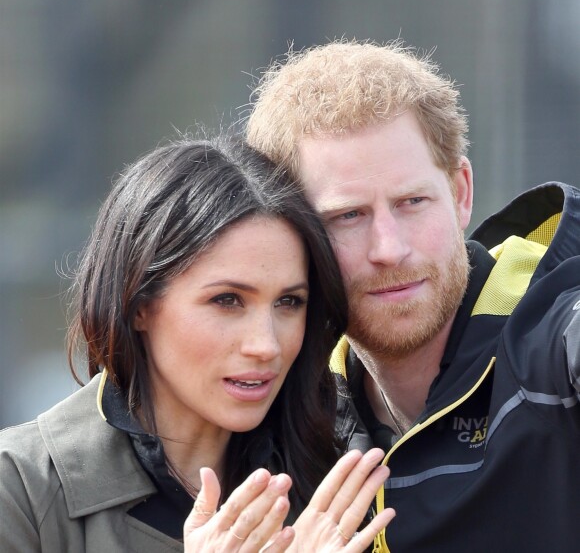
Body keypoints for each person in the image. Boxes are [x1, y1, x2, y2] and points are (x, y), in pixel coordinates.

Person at [246, 39, 580, 552]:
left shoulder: (553, 333)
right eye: (348, 216)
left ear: (461, 193)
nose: (389, 248)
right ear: (293, 234)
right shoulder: (275, 401)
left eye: (412, 202)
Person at [0, 134, 396, 552]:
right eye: (227, 301)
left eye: (289, 302)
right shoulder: (21, 489)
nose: (266, 346)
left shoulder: (333, 481)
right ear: (139, 304)